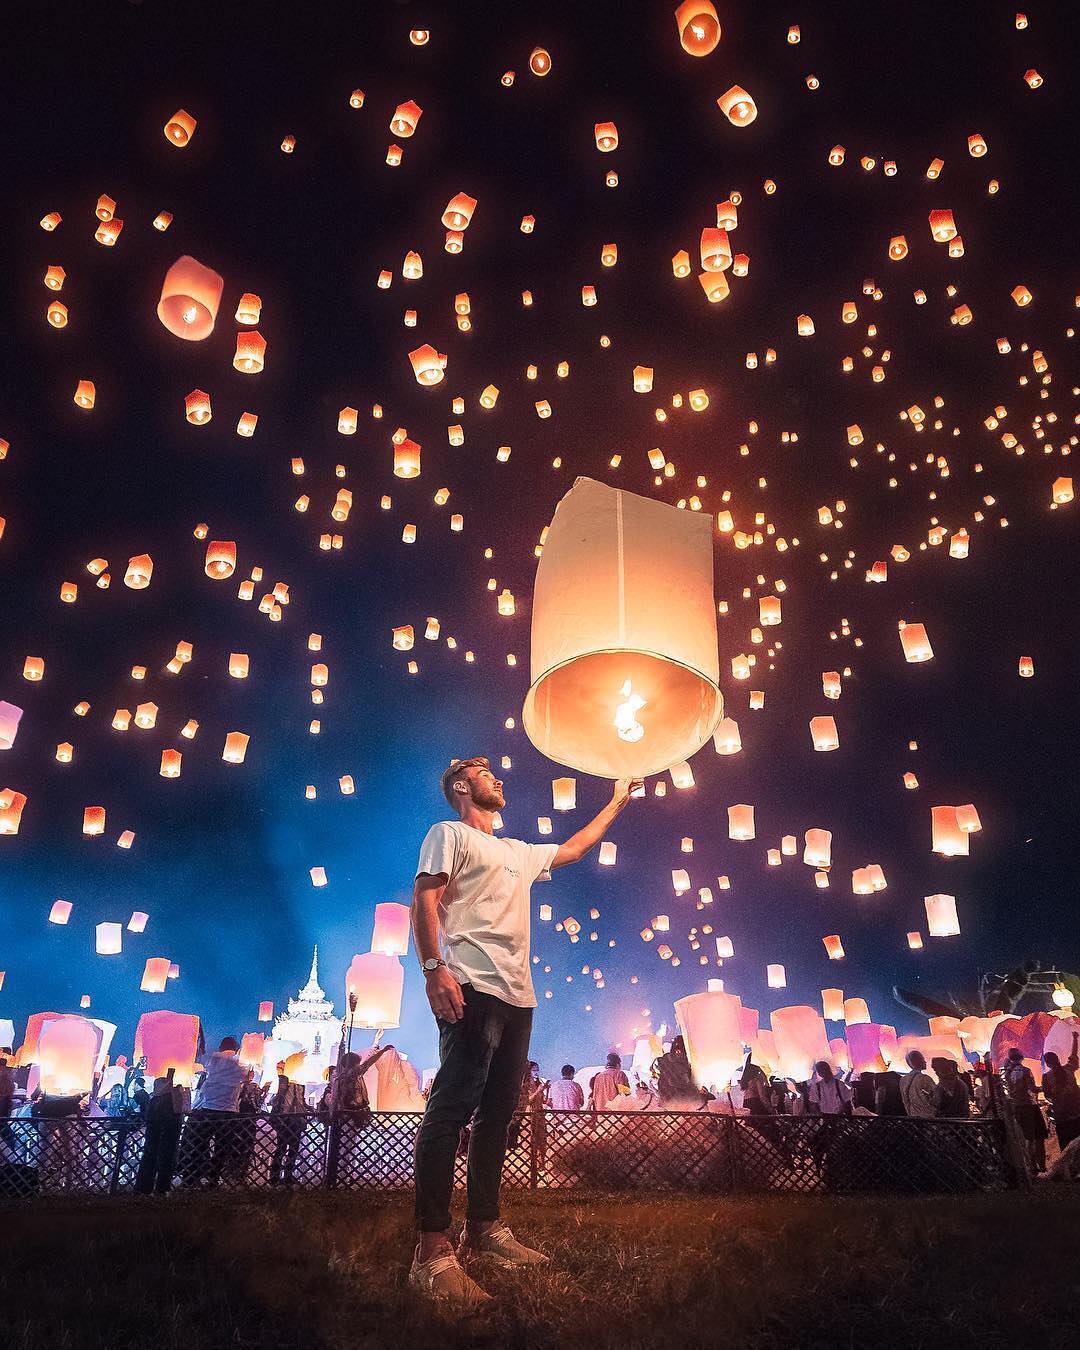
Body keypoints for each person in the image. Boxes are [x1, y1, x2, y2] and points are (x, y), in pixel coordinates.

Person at [409, 755, 639, 1307]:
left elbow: (576, 848)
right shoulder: (448, 834)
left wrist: (617, 800)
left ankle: (484, 1230)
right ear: (462, 785)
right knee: (450, 1110)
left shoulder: (516, 850)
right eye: (484, 771)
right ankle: (430, 1252)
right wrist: (433, 968)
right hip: (473, 985)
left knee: (497, 1116)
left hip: (519, 995)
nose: (498, 776)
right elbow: (425, 898)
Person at [181, 1036, 246, 1186]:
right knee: (222, 1147)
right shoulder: (237, 1064)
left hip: (207, 1109)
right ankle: (213, 1176)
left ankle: (193, 1176)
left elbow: (200, 1060)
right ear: (235, 1049)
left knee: (200, 1144)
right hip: (228, 1111)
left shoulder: (213, 1060)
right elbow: (244, 1079)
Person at [135, 1067, 183, 1194]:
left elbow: (150, 1119)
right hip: (166, 1138)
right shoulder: (168, 1101)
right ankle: (161, 1189)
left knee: (150, 1160)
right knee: (164, 1161)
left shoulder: (155, 1101)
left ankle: (144, 1189)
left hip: (154, 1138)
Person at [1001, 1048, 1047, 1172]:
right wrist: (1044, 1087)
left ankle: (1030, 1166)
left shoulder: (1007, 1074)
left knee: (1027, 1137)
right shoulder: (1026, 1071)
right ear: (1021, 1057)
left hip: (1017, 1107)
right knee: (1038, 1136)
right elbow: (1032, 1089)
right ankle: (1040, 1166)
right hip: (1030, 1106)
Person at [269, 1063, 313, 1186]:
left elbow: (301, 1101)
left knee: (292, 1149)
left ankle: (287, 1175)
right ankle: (275, 1176)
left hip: (296, 1120)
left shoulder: (299, 1086)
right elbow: (279, 1099)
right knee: (282, 1148)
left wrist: (308, 1108)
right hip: (285, 1120)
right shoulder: (284, 1083)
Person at [1042, 1032, 1080, 1150]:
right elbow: (1074, 1054)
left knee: (1066, 1147)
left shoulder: (1046, 1077)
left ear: (1047, 1064)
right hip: (1077, 1112)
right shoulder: (1069, 1069)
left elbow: (1047, 1095)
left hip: (1061, 1116)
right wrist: (1075, 1038)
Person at [654, 1036, 698, 1109]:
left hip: (669, 1100)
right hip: (678, 1100)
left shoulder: (662, 1061)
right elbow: (681, 1082)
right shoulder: (682, 1064)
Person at [900, 1050, 935, 1118]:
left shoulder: (903, 1079)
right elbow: (936, 1097)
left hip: (912, 1116)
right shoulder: (925, 1079)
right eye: (922, 1059)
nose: (925, 1062)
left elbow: (905, 1100)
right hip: (928, 1117)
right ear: (917, 1062)